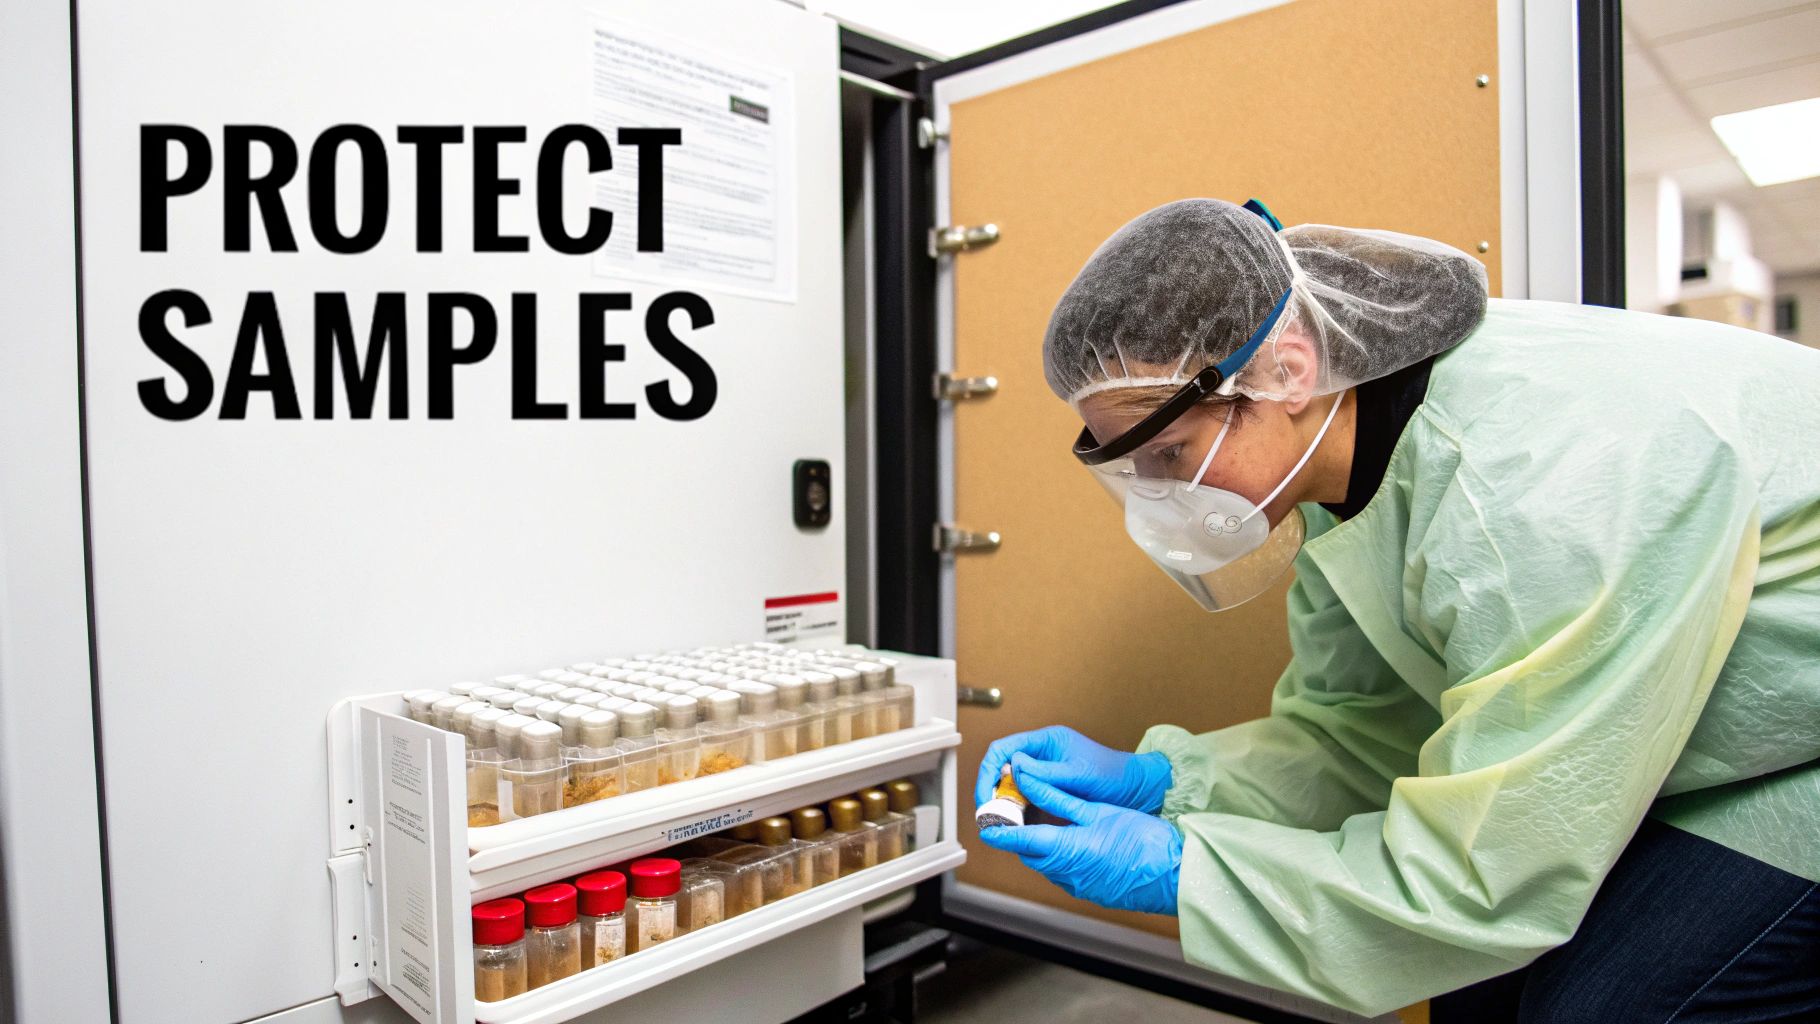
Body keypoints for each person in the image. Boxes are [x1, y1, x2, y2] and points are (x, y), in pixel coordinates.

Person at [975, 198, 1820, 1021]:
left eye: (1168, 454)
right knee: (1473, 992)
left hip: (1795, 762)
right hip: (1664, 746)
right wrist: (1169, 786)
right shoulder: (1345, 487)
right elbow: (1364, 731)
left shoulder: (1530, 494)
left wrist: (1186, 869)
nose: (1158, 499)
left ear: (1287, 372)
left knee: (1600, 1008)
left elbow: (1486, 883)